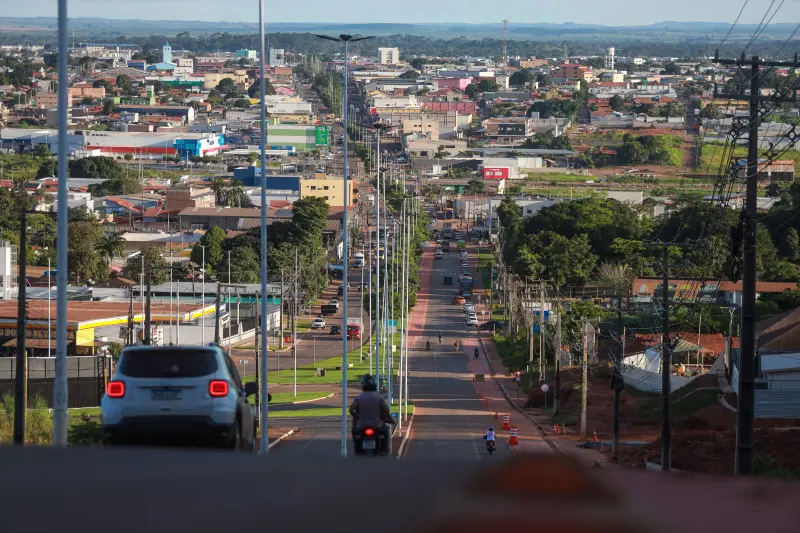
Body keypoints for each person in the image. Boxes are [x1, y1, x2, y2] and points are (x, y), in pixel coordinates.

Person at [350, 375, 395, 455]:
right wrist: (383, 418)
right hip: (376, 425)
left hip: (362, 425)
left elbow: (351, 410)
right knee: (385, 431)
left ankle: (357, 449)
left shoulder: (358, 398)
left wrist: (357, 417)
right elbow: (386, 410)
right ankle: (384, 450)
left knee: (355, 432)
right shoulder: (379, 398)